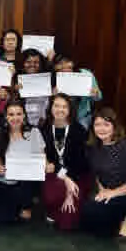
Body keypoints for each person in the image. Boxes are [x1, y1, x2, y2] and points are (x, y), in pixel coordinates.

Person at [80, 107, 126, 238]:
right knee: (87, 215)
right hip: (107, 191)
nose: (101, 129)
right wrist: (102, 191)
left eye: (106, 125)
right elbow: (96, 174)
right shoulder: (94, 147)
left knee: (101, 221)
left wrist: (113, 193)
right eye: (97, 125)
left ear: (115, 126)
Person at [41, 94, 91, 231]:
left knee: (68, 222)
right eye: (56, 105)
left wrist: (70, 190)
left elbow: (80, 164)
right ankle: (53, 208)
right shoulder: (44, 129)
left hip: (78, 176)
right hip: (55, 174)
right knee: (51, 196)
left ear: (70, 110)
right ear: (50, 108)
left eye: (64, 106)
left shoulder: (79, 131)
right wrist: (65, 178)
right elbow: (46, 160)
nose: (60, 110)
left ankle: (61, 209)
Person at [0, 100, 47, 224]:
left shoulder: (34, 132)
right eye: (11, 114)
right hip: (4, 181)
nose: (15, 118)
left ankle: (27, 205)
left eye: (19, 114)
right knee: (5, 219)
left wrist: (46, 165)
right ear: (6, 116)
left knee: (23, 217)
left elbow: (41, 157)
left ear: (24, 115)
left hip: (26, 183)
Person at [53, 54, 102, 129]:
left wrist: (95, 94)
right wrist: (53, 96)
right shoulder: (53, 78)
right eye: (60, 64)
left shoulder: (85, 74)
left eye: (67, 62)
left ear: (73, 63)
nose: (64, 66)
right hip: (61, 116)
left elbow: (99, 98)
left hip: (82, 117)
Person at [15, 49, 50, 126]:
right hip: (21, 122)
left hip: (43, 122)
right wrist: (15, 93)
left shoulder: (46, 79)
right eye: (28, 62)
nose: (32, 65)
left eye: (36, 62)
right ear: (23, 63)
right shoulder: (15, 79)